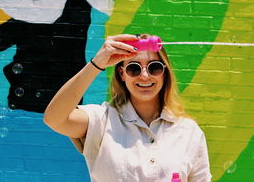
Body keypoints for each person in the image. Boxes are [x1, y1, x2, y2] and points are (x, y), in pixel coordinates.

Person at [44, 34, 212, 181]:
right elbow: (54, 119)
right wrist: (97, 64)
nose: (145, 76)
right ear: (122, 74)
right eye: (134, 68)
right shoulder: (102, 121)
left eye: (154, 67)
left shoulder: (188, 132)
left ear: (165, 73)